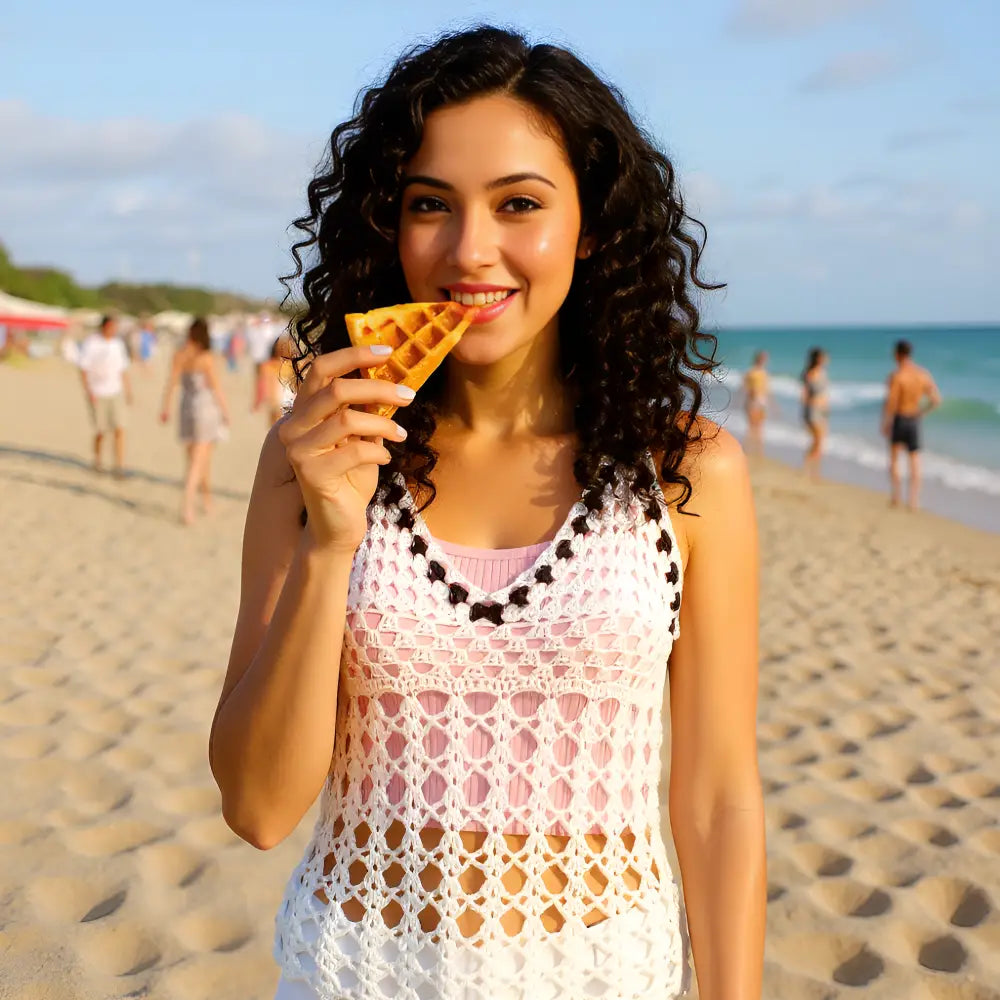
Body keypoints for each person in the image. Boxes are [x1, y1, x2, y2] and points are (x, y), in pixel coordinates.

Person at [209, 26, 764, 1000]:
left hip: (605, 973)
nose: (471, 251)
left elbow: (717, 796)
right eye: (430, 204)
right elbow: (258, 806)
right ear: (388, 223)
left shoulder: (687, 471)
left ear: (589, 225)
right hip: (357, 971)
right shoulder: (314, 459)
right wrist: (333, 539)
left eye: (519, 204)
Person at [159, 317, 231, 524]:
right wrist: (226, 412)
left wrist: (165, 408)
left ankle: (206, 499)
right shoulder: (206, 357)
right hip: (205, 409)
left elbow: (171, 383)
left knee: (198, 458)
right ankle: (187, 505)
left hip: (186, 407)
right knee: (199, 460)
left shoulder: (179, 355)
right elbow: (216, 388)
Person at [881, 339, 941, 512]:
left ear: (897, 354)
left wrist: (886, 423)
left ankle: (896, 496)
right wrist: (922, 412)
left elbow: (891, 403)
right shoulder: (923, 374)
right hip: (914, 419)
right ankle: (914, 500)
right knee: (915, 461)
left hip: (900, 418)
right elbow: (936, 400)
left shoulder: (897, 376)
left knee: (894, 459)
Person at [77, 314, 132, 477]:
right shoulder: (92, 343)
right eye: (112, 327)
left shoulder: (118, 344)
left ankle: (119, 465)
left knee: (120, 428)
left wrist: (128, 390)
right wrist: (89, 391)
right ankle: (98, 460)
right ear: (104, 327)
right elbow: (83, 368)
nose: (114, 330)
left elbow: (123, 369)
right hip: (98, 392)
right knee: (101, 430)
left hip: (116, 391)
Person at [800, 347, 830, 481]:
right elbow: (805, 395)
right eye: (823, 356)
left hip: (822, 411)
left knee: (819, 442)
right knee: (817, 441)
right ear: (818, 358)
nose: (825, 359)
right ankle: (809, 469)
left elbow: (824, 394)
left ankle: (813, 471)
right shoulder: (810, 374)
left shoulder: (822, 372)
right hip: (813, 410)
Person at [254, 335, 297, 425]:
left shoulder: (293, 366)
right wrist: (258, 400)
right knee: (276, 422)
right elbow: (262, 384)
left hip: (288, 397)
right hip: (276, 398)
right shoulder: (267, 365)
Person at [741, 350, 775, 457]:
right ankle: (746, 450)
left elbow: (767, 391)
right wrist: (752, 393)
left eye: (765, 358)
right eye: (762, 358)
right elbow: (745, 387)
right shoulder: (751, 372)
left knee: (759, 428)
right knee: (752, 428)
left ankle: (758, 451)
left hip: (762, 403)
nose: (764, 360)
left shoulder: (764, 373)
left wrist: (772, 404)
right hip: (753, 402)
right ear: (758, 359)